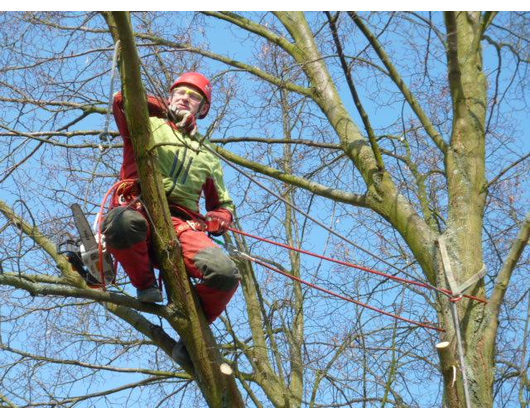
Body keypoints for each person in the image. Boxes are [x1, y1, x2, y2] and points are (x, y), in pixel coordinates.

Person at [102, 72, 240, 328]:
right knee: (121, 222)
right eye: (181, 93)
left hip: (182, 225)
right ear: (169, 96)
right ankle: (145, 285)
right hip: (138, 208)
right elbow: (122, 100)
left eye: (195, 96)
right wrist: (164, 111)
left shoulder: (207, 155)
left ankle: (194, 330)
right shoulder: (148, 123)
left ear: (203, 108)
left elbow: (222, 204)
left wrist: (220, 218)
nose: (186, 99)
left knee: (225, 273)